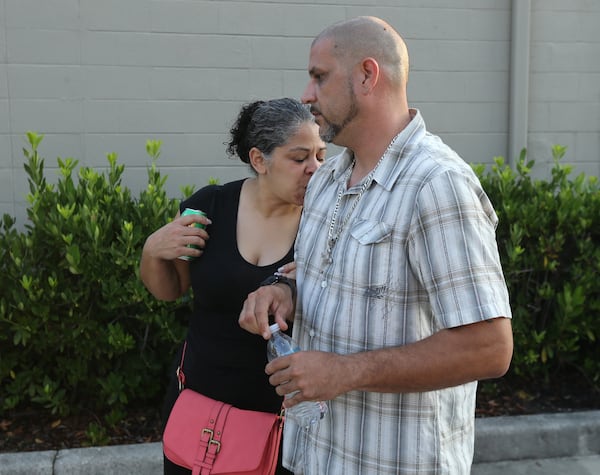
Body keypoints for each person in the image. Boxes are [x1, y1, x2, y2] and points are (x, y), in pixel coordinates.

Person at [239, 17, 514, 474]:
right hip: (315, 458)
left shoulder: (437, 184)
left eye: (319, 76)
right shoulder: (328, 176)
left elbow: (489, 347)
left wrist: (347, 372)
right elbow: (327, 275)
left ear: (367, 75)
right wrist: (282, 291)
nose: (307, 95)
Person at [140, 97, 326, 475]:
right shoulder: (210, 206)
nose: (315, 169)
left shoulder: (323, 221)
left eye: (321, 156)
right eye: (299, 158)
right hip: (199, 402)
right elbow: (170, 289)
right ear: (259, 160)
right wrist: (152, 251)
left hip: (283, 415)